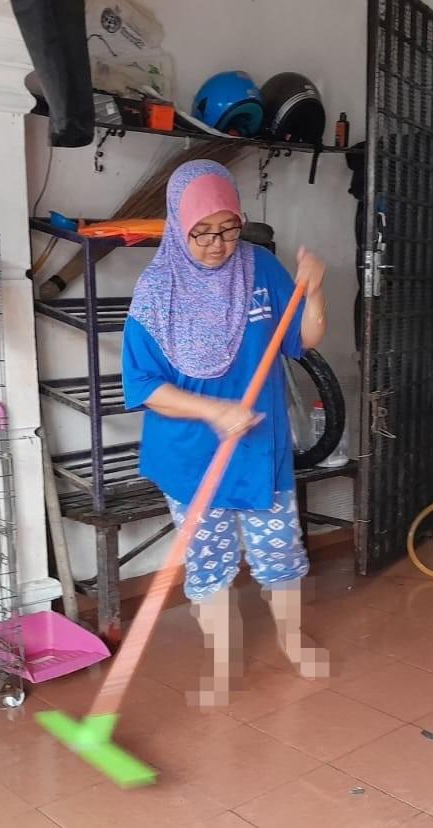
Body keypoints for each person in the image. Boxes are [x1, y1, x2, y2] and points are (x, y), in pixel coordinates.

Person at [122, 159, 330, 703]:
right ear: (177, 224)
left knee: (278, 551)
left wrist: (314, 291)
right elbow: (143, 385)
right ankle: (222, 664)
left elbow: (302, 341)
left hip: (259, 447)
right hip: (191, 456)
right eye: (201, 232)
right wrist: (213, 412)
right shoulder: (155, 291)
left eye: (228, 227)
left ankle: (293, 641)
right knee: (210, 561)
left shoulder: (260, 268)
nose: (217, 243)